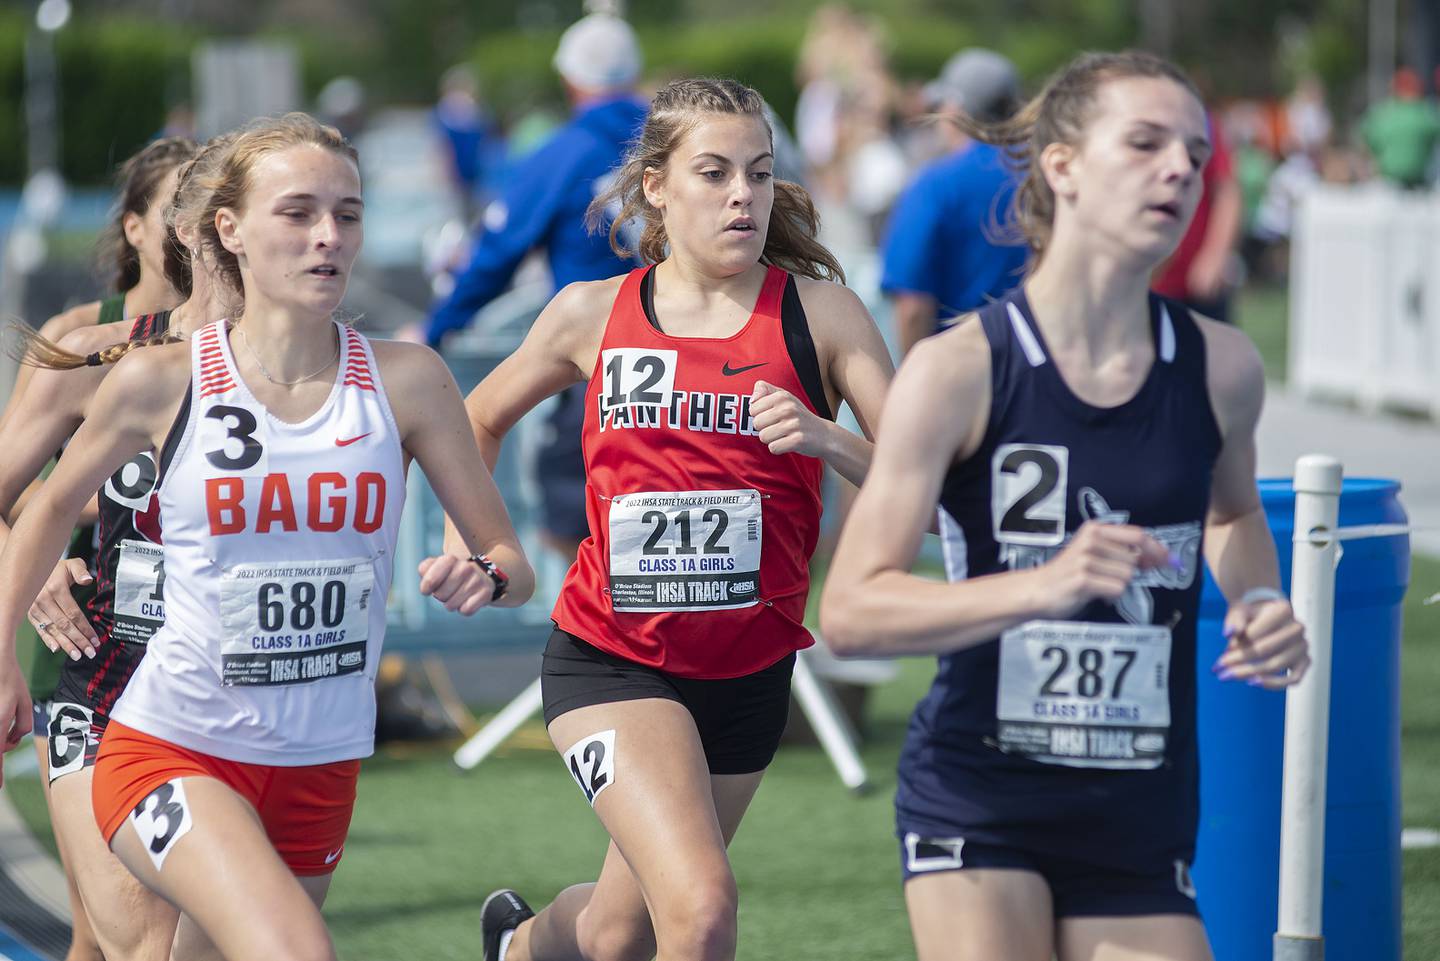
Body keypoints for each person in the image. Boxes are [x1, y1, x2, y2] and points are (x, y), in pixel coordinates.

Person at [0, 112, 533, 961]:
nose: (329, 237)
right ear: (230, 230)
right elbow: (44, 506)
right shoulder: (156, 377)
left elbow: (511, 558)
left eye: (348, 214)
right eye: (298, 213)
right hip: (169, 743)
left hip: (320, 760)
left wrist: (486, 575)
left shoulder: (408, 380)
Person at [820, 51, 1310, 961]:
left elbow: (1233, 516)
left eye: (1197, 156)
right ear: (1064, 165)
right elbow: (851, 612)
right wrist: (1041, 586)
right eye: (1146, 143)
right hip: (981, 801)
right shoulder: (959, 369)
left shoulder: (1223, 368)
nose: (1180, 171)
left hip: (1139, 807)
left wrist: (1259, 601)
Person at [458, 77, 894, 961]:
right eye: (715, 172)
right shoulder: (592, 312)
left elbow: (922, 476)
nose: (744, 194)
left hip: (749, 670)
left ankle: (515, 948)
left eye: (761, 173)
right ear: (656, 185)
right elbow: (475, 418)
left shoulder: (823, 315)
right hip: (610, 662)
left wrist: (824, 437)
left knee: (624, 930)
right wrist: (481, 543)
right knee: (700, 909)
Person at [0, 137, 234, 961]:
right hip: (97, 658)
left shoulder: (318, 370)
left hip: (234, 702)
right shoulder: (93, 346)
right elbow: (19, 490)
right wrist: (34, 566)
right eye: (186, 205)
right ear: (152, 228)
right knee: (128, 937)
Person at [416, 11, 648, 570]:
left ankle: (609, 631)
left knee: (576, 529)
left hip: (602, 363)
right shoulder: (684, 141)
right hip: (712, 352)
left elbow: (496, 251)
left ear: (570, 80)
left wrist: (437, 326)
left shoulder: (564, 152)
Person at [881, 48, 1028, 356]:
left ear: (957, 109)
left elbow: (913, 306)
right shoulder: (1049, 176)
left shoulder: (935, 184)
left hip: (960, 371)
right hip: (1040, 367)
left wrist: (915, 382)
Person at [1361, 67, 1440, 190]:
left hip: (1387, 183)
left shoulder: (1380, 114)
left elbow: (1365, 139)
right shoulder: (1428, 113)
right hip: (1420, 183)